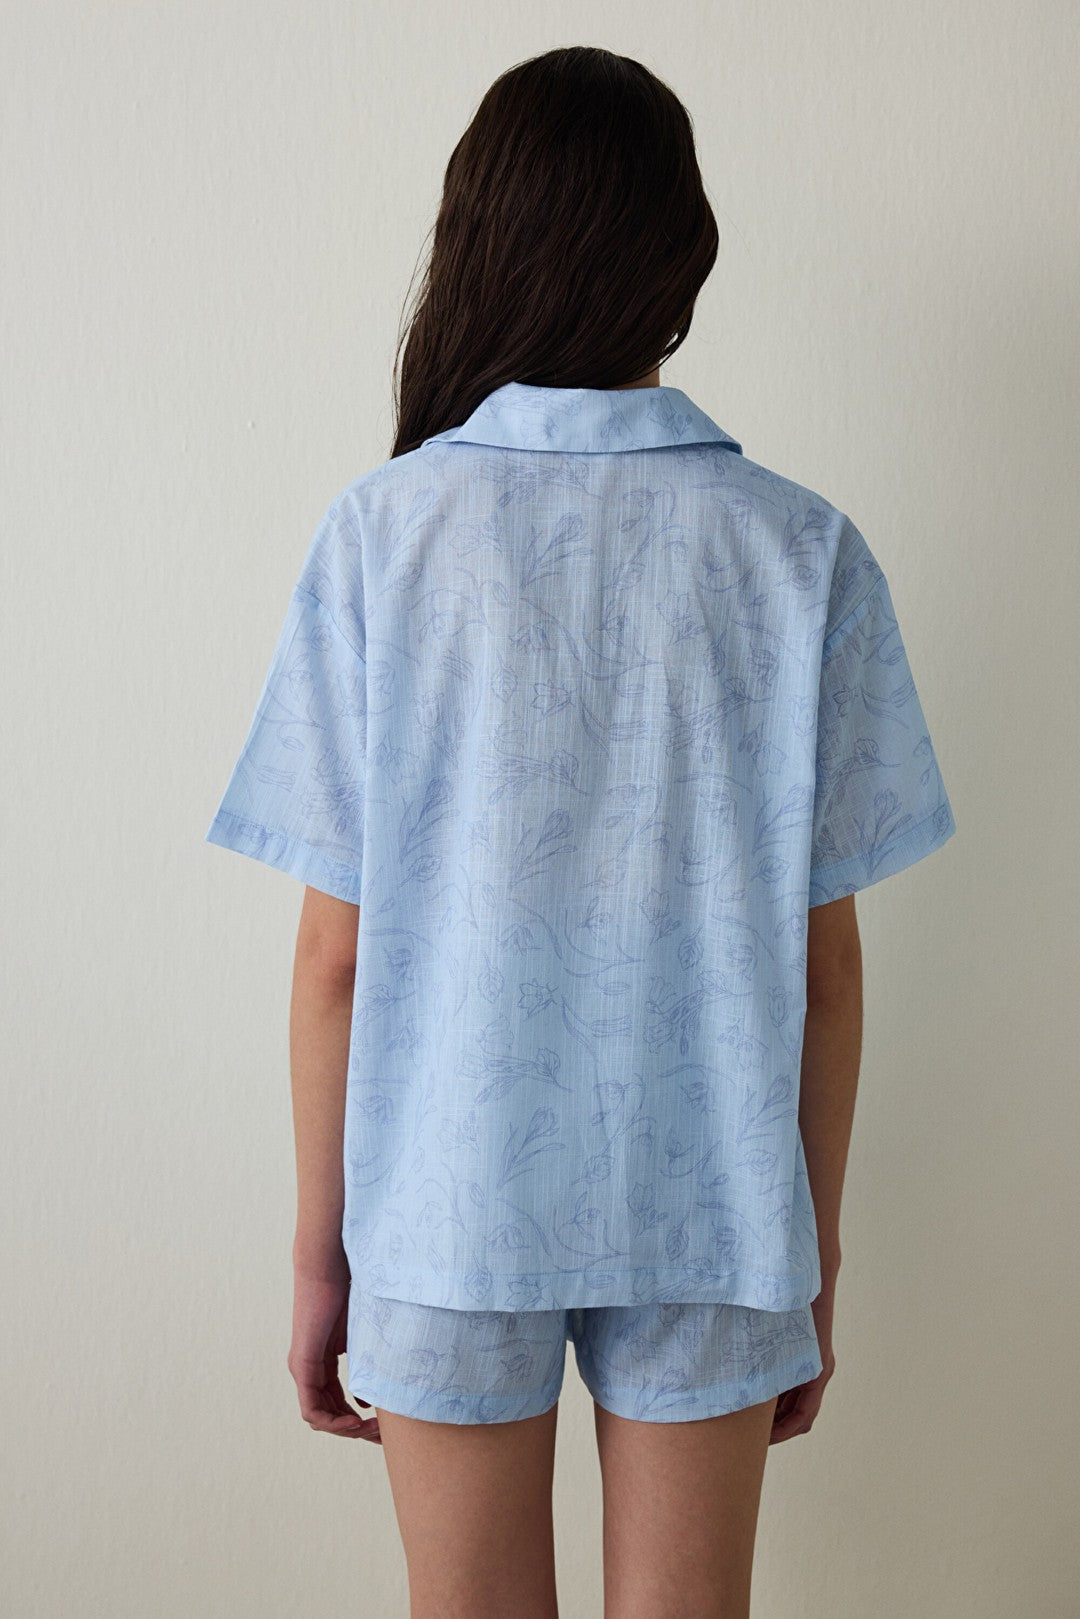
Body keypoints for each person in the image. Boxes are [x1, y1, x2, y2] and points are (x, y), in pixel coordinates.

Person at [204, 44, 957, 1619]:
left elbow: (336, 959)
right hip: (715, 1213)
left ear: (474, 243)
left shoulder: (383, 537)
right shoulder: (800, 555)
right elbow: (825, 973)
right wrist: (812, 1260)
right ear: (684, 263)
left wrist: (321, 1262)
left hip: (446, 1206)